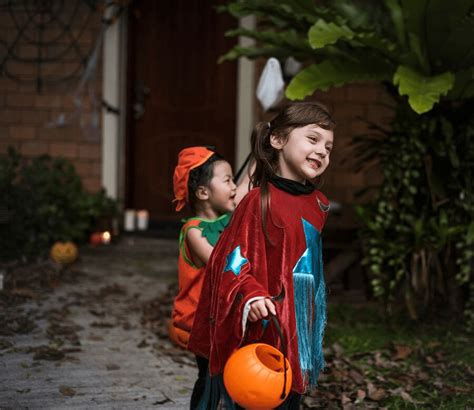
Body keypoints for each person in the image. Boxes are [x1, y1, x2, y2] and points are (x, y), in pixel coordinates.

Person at [188, 102, 335, 409]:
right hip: (262, 322)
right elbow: (230, 259)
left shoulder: (318, 204)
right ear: (278, 140)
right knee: (252, 396)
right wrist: (251, 296)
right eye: (312, 139)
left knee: (287, 393)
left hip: (296, 325)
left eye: (329, 146)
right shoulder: (258, 201)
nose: (322, 151)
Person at [169, 146, 250, 409]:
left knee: (230, 374)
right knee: (210, 375)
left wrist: (261, 152)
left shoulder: (228, 218)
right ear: (203, 192)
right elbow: (221, 264)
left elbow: (245, 187)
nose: (234, 187)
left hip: (222, 318)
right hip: (202, 321)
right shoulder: (194, 231)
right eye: (227, 181)